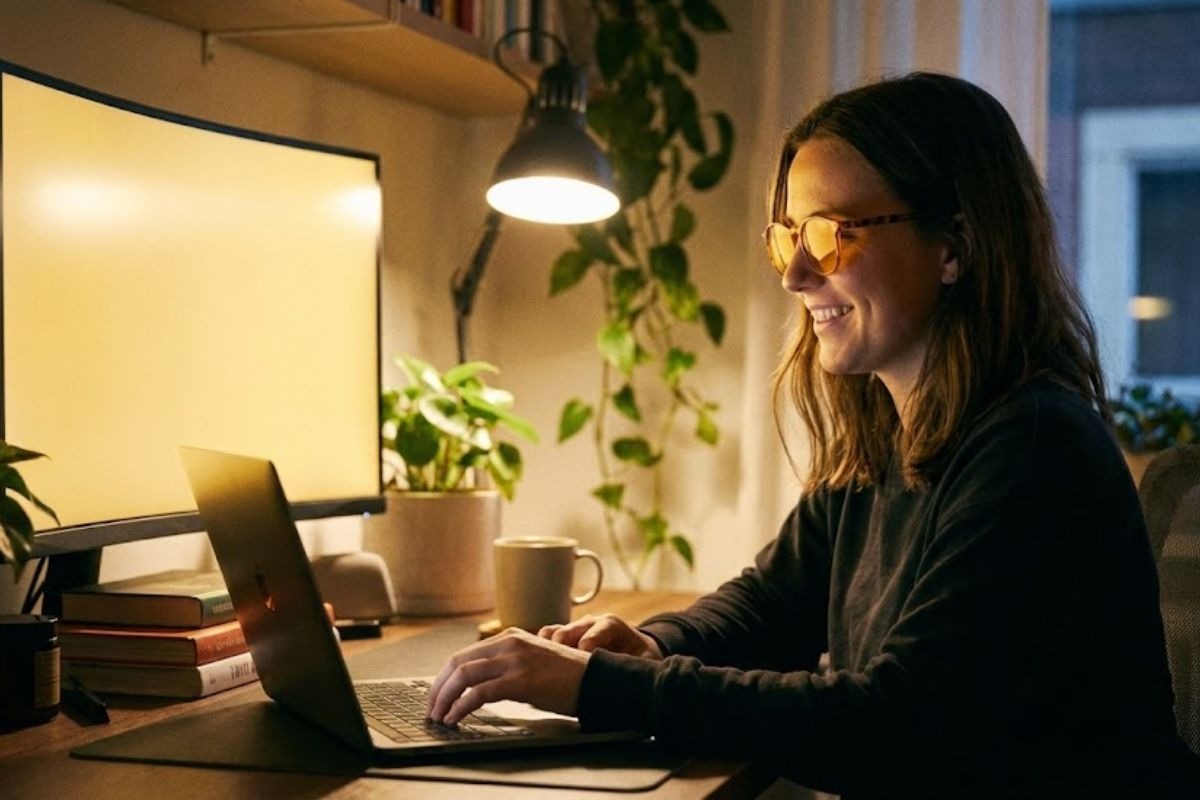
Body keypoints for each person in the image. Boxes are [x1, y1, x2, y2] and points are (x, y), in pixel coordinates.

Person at [426, 72, 1198, 797]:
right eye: (785, 236)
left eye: (829, 235)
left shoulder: (1035, 450)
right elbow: (774, 605)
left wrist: (598, 688)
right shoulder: (891, 434)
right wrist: (651, 646)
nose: (794, 274)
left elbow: (896, 722)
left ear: (953, 246)